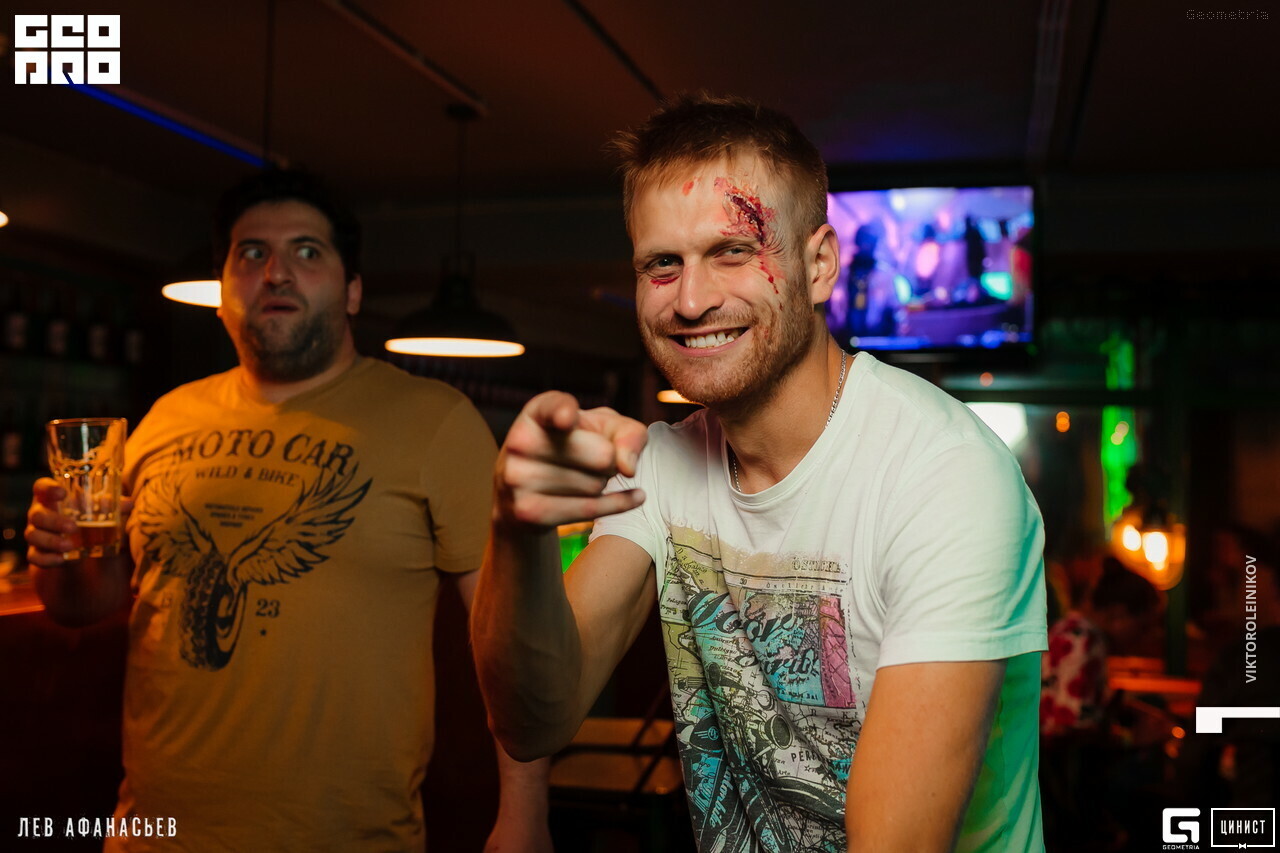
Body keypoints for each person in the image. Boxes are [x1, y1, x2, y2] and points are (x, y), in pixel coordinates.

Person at [472, 95, 1047, 852]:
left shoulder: (944, 475)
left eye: (733, 252)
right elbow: (531, 720)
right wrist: (515, 532)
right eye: (662, 264)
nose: (691, 300)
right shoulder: (664, 463)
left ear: (818, 266)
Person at [26, 170, 550, 852]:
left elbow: (511, 639)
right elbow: (87, 602)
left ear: (353, 290)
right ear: (222, 292)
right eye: (251, 253)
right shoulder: (163, 419)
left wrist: (525, 815)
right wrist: (60, 556)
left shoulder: (436, 422)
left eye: (307, 251)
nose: (275, 272)